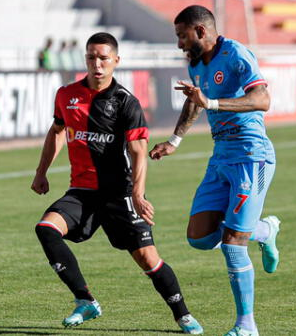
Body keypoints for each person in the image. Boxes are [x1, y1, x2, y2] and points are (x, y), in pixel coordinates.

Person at [31, 32, 203, 334]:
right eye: (91, 57)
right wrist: (41, 171)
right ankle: (85, 300)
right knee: (46, 229)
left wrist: (137, 194)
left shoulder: (126, 102)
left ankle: (183, 314)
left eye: (103, 58)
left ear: (116, 61)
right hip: (82, 191)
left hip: (120, 193)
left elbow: (139, 152)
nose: (96, 64)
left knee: (148, 259)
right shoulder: (66, 95)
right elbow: (57, 130)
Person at [149, 5, 280, 336]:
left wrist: (214, 104)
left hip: (251, 157)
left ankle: (246, 325)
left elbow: (262, 99)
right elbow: (196, 101)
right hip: (220, 156)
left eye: (182, 35)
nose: (179, 43)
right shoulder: (195, 61)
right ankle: (263, 231)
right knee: (200, 238)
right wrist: (175, 141)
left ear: (201, 31)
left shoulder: (235, 53)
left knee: (234, 242)